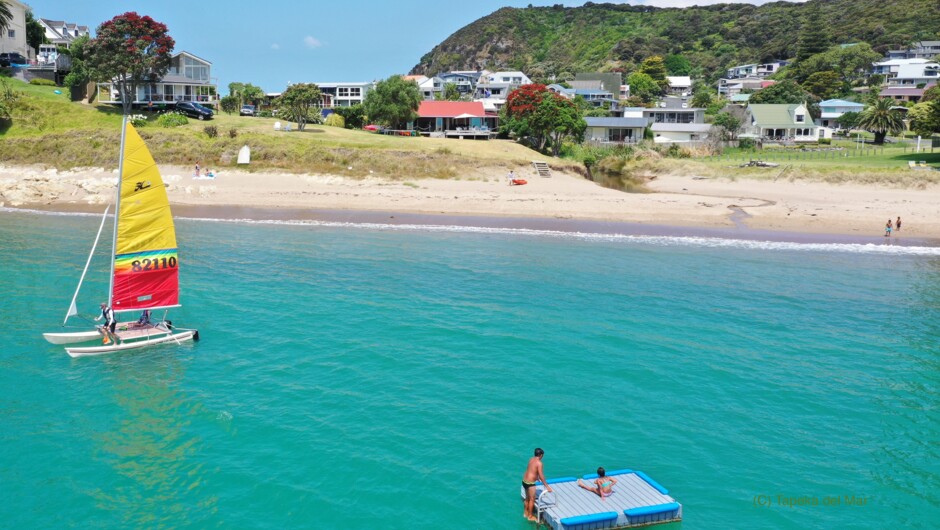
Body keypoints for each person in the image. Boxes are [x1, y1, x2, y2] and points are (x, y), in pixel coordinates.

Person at [522, 448, 552, 522]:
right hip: (530, 483)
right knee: (532, 499)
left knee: (527, 498)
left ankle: (525, 513)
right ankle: (530, 516)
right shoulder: (539, 463)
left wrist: (536, 477)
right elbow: (541, 476)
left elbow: (531, 470)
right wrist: (547, 486)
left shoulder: (531, 459)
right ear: (541, 455)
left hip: (524, 481)